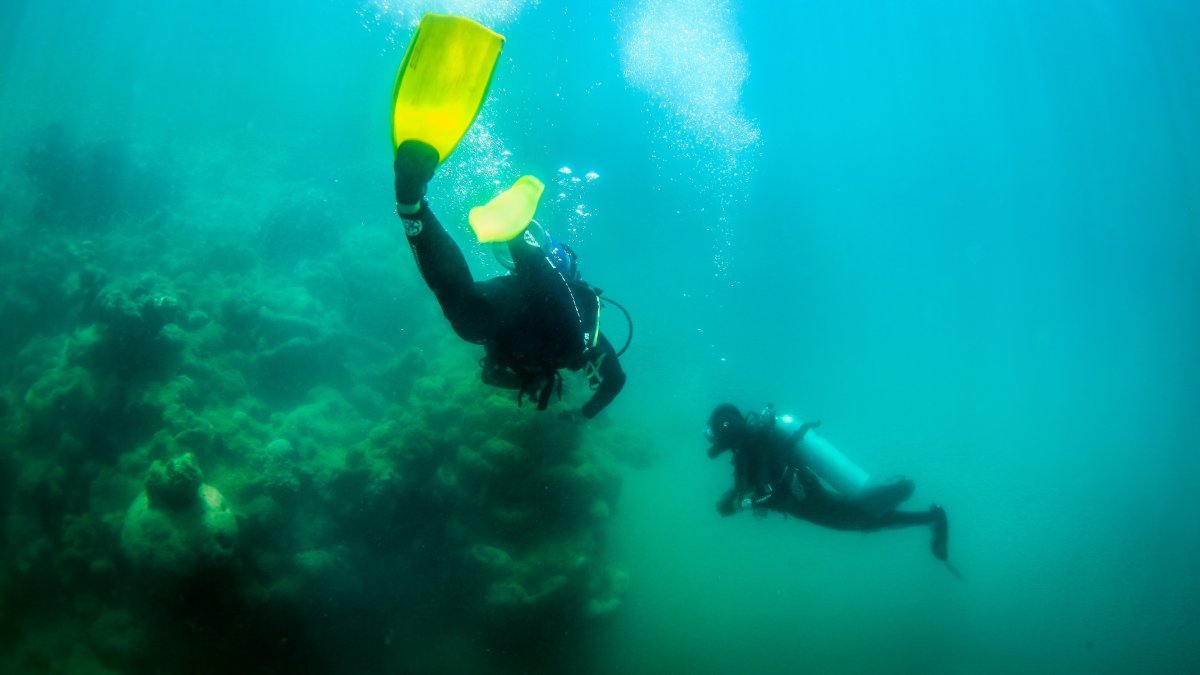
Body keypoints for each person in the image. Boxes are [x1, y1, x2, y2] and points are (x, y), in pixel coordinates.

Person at [393, 140, 626, 419]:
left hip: (508, 315)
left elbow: (490, 375)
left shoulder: (532, 342)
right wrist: (582, 414)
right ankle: (516, 235)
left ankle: (411, 204)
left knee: (462, 303)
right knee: (568, 337)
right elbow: (615, 379)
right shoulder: (577, 330)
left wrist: (529, 381)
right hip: (543, 312)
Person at [705, 403, 951, 562]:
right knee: (861, 518)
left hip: (807, 499)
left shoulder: (754, 445)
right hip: (803, 500)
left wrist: (739, 505)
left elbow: (770, 491)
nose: (713, 440)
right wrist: (733, 499)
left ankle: (910, 496)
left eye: (714, 433)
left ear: (724, 430)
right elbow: (762, 484)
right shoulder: (749, 448)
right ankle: (924, 512)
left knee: (861, 518)